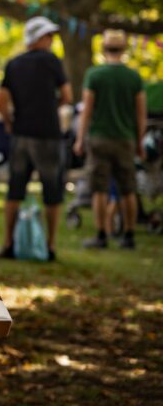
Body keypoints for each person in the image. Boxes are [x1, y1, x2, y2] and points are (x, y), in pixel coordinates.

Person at [0, 17, 72, 261]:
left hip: (20, 133)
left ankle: (8, 243)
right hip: (48, 134)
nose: (51, 41)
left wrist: (9, 121)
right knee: (52, 191)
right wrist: (52, 106)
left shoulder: (13, 64)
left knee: (14, 190)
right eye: (49, 36)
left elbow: (1, 99)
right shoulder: (52, 62)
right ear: (41, 38)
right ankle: (49, 246)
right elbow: (67, 95)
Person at [73, 30, 146, 250]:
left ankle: (101, 234)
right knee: (128, 189)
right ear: (124, 49)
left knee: (100, 189)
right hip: (126, 139)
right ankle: (129, 235)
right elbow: (140, 114)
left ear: (104, 49)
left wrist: (79, 138)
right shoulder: (134, 77)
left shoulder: (94, 75)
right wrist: (140, 141)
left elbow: (87, 110)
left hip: (99, 138)